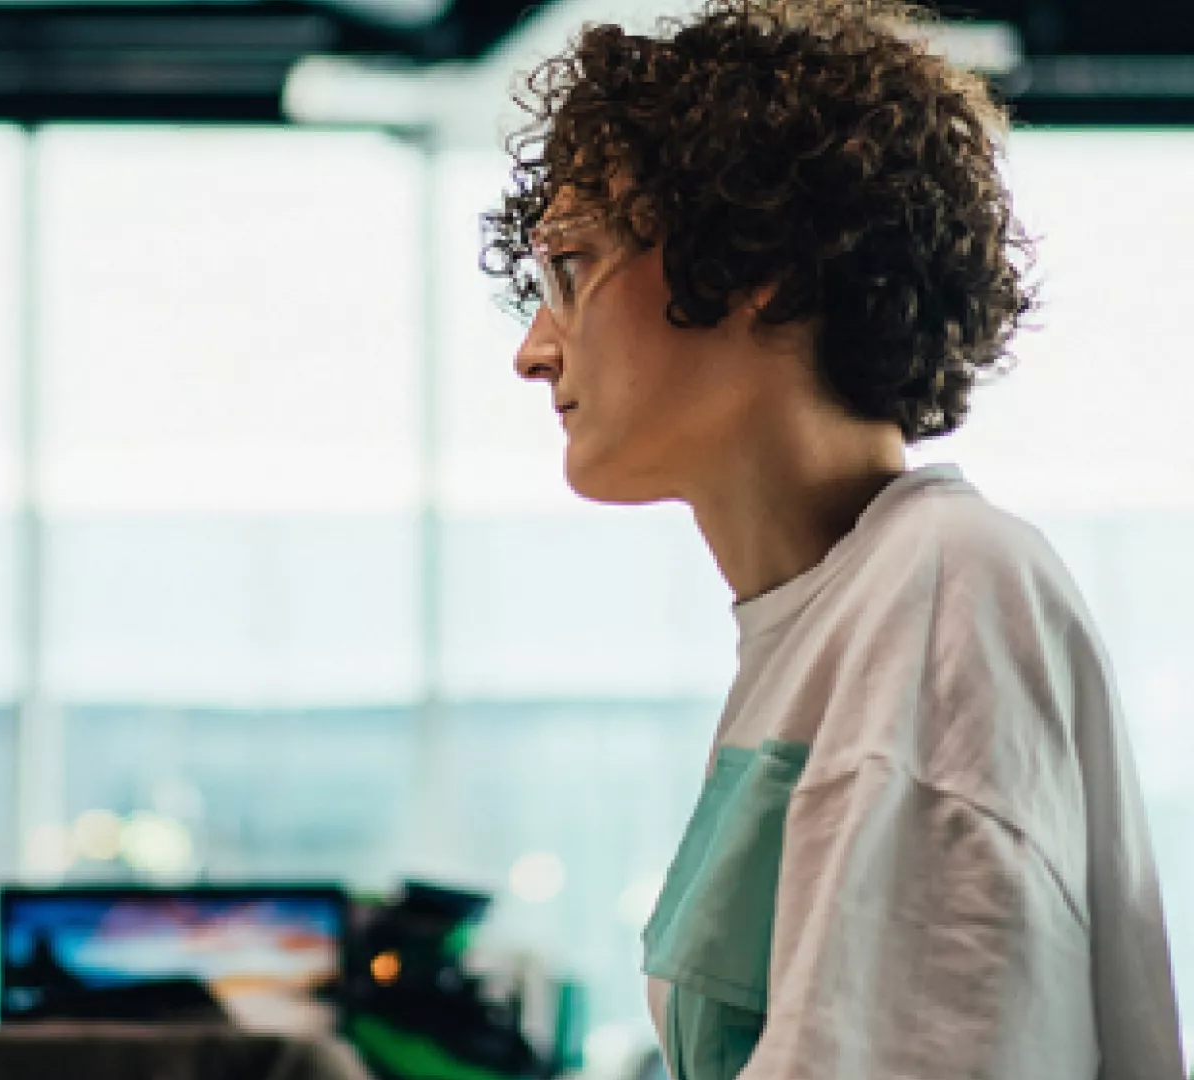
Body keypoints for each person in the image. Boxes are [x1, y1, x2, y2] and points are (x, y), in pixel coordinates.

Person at [484, 1, 1186, 1077]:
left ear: (758, 258)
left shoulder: (945, 584)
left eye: (571, 271)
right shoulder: (830, 616)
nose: (535, 351)